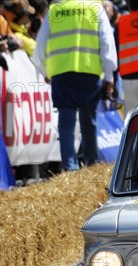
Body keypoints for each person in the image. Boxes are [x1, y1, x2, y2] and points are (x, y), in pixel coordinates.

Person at [32, 0, 118, 171]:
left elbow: (40, 47)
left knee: (65, 122)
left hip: (61, 74)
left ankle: (70, 167)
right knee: (89, 122)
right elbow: (107, 43)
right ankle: (91, 165)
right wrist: (109, 76)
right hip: (89, 73)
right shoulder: (95, 8)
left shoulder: (55, 11)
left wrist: (45, 72)